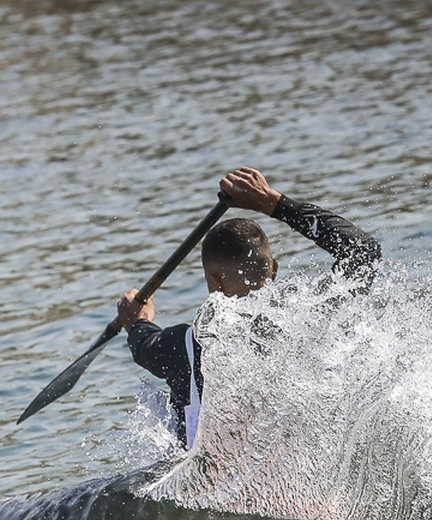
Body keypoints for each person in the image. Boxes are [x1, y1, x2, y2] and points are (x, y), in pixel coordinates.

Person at [116, 166, 383, 448]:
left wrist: (138, 321)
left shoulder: (186, 345)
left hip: (210, 481)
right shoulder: (309, 318)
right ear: (275, 269)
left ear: (213, 282)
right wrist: (273, 203)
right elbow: (364, 252)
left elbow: (145, 345)